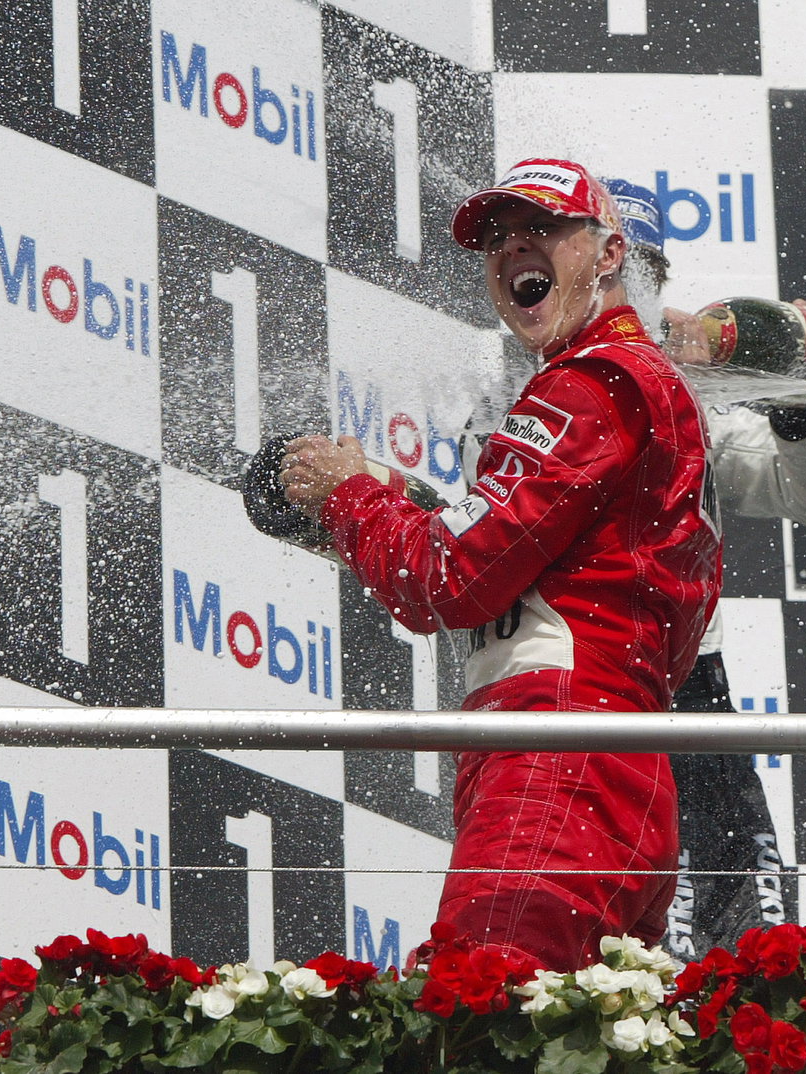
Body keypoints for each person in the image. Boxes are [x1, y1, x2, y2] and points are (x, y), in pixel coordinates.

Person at [278, 158, 721, 970]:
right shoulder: (633, 386)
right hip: (611, 764)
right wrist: (389, 505)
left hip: (555, 759)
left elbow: (444, 579)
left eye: (544, 228)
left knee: (477, 1021)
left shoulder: (592, 385)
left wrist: (348, 498)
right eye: (496, 239)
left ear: (611, 252)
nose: (514, 247)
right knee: (578, 1047)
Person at [603, 177, 806, 960]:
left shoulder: (691, 393)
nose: (633, 293)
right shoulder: (506, 379)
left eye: (648, 273)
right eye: (617, 269)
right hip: (572, 688)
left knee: (743, 952)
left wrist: (792, 389)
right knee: (585, 945)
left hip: (687, 686)